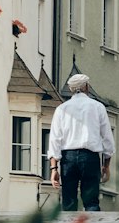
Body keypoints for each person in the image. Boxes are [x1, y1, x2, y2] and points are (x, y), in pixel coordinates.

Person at [48, 73, 114, 212]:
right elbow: (107, 137)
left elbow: (55, 139)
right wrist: (106, 165)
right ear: (86, 87)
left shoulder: (62, 109)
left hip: (68, 158)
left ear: (72, 89)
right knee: (91, 202)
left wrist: (54, 168)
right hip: (90, 157)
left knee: (69, 201)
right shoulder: (98, 107)